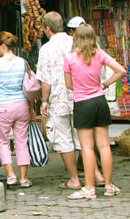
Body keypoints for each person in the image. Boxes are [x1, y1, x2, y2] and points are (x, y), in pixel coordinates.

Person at [64, 23, 125, 199]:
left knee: (87, 147)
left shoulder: (70, 58)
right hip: (100, 101)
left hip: (83, 103)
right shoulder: (100, 54)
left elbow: (69, 85)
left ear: (75, 37)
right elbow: (120, 70)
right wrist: (104, 84)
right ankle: (108, 185)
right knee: (104, 145)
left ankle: (89, 188)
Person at [0, 31, 33, 189]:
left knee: (2, 142)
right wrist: (31, 108)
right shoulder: (23, 62)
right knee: (22, 142)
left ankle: (11, 175)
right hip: (22, 104)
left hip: (2, 106)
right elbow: (29, 86)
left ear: (3, 46)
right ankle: (24, 179)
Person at [37, 12, 83, 190]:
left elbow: (46, 80)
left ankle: (74, 179)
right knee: (84, 138)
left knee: (63, 139)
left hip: (58, 100)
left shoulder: (46, 49)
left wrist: (44, 100)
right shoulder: (75, 42)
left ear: (47, 28)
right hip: (80, 96)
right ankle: (96, 175)